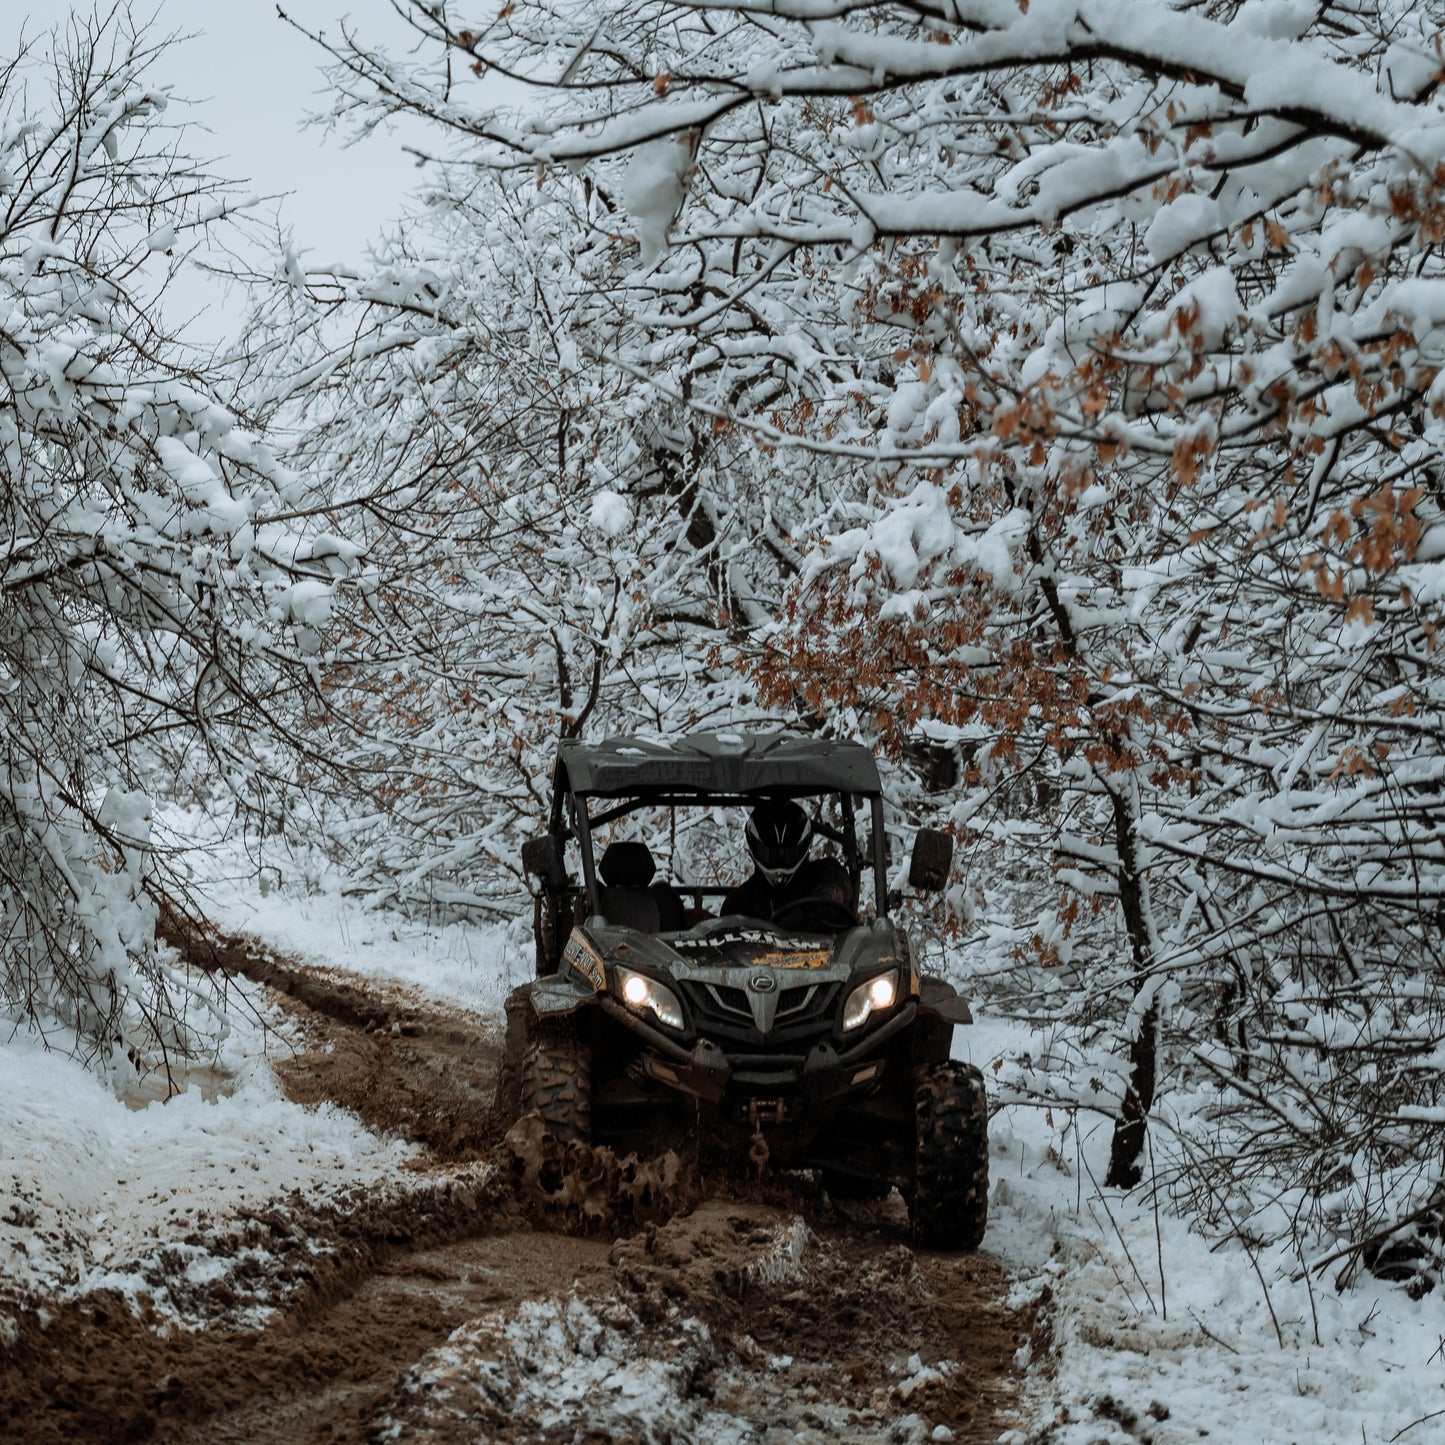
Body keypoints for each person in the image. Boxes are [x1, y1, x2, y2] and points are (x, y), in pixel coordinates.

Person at [721, 800, 854, 928]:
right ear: (754, 848)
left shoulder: (828, 874)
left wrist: (793, 922)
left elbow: (836, 892)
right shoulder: (737, 904)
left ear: (804, 846)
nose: (780, 862)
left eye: (789, 854)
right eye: (769, 854)